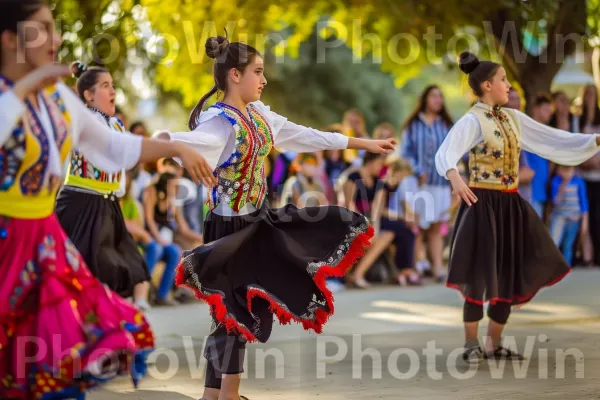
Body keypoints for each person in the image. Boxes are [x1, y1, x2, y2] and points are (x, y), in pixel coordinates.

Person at [158, 35, 396, 400]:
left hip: (258, 222)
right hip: (230, 227)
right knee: (235, 315)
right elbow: (171, 140)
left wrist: (363, 145)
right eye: (257, 72)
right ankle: (226, 396)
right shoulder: (219, 124)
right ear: (234, 75)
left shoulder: (260, 115)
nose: (264, 79)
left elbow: (307, 135)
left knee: (234, 314)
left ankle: (215, 395)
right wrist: (169, 144)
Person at [0, 1, 216, 397]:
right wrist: (26, 88)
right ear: (10, 39)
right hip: (6, 241)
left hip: (45, 242)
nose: (56, 38)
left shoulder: (59, 102)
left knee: (54, 359)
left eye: (55, 27)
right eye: (42, 28)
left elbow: (118, 147)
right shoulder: (21, 96)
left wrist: (177, 149)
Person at [435, 51, 600, 364]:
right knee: (479, 271)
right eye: (503, 80)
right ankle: (471, 343)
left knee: (508, 273)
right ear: (486, 86)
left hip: (510, 204)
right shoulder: (473, 120)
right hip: (482, 204)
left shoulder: (512, 118)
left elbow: (553, 139)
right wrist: (455, 175)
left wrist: (592, 141)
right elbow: (447, 150)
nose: (508, 86)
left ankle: (492, 345)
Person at [55, 62, 151, 309]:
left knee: (127, 265)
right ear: (88, 95)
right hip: (81, 203)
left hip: (107, 205)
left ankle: (114, 326)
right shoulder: (83, 121)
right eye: (105, 86)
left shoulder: (116, 124)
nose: (112, 92)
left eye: (113, 86)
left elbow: (125, 158)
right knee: (89, 269)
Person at [400, 84, 454, 282]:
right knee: (418, 227)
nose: (438, 100)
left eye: (440, 97)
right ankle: (415, 268)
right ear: (425, 99)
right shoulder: (413, 125)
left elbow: (453, 151)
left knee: (436, 227)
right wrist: (417, 170)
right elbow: (405, 153)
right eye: (433, 96)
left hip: (440, 183)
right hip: (419, 184)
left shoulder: (446, 125)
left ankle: (438, 268)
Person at [548, 165, 589, 266]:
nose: (567, 172)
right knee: (554, 241)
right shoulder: (556, 181)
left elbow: (583, 202)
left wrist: (584, 220)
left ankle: (566, 266)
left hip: (574, 217)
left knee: (568, 243)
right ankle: (553, 267)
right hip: (559, 216)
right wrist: (563, 185)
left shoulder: (579, 181)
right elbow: (555, 201)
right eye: (564, 169)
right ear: (559, 170)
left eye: (569, 169)